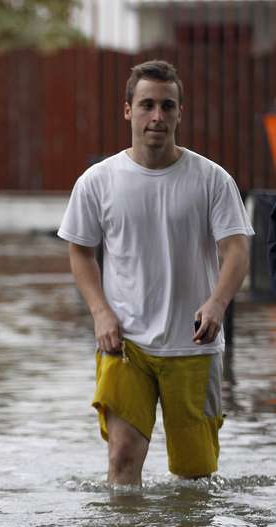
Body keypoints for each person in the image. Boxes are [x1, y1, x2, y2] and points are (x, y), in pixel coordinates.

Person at [57, 60, 254, 487]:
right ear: (128, 110)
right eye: (147, 105)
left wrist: (217, 302)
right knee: (123, 461)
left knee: (194, 476)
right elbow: (80, 252)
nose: (157, 116)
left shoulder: (212, 179)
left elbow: (236, 250)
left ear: (181, 112)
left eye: (168, 106)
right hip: (125, 342)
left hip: (194, 345)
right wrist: (100, 312)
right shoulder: (97, 181)